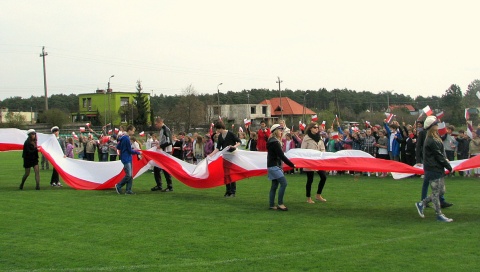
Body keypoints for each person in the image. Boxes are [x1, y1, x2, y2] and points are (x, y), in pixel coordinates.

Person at [415, 116, 454, 222]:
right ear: (432, 126)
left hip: (438, 168)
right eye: (436, 124)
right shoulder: (431, 140)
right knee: (436, 192)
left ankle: (422, 203)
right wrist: (449, 167)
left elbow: (441, 154)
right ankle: (439, 214)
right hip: (433, 169)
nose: (438, 125)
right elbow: (438, 155)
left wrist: (445, 163)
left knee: (441, 191)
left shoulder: (436, 137)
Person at [208, 121, 241, 197]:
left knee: (231, 173)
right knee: (225, 174)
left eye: (217, 129)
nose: (217, 131)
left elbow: (239, 142)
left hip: (232, 155)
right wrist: (211, 154)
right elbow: (218, 148)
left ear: (221, 128)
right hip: (225, 156)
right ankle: (228, 190)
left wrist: (234, 146)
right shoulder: (220, 136)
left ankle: (233, 191)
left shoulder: (230, 134)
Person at [267, 124, 295, 211]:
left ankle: (272, 204)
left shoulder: (272, 141)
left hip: (272, 165)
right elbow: (281, 156)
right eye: (280, 130)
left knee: (274, 185)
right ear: (275, 131)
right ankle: (280, 203)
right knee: (284, 183)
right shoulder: (275, 142)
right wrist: (291, 164)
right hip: (274, 166)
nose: (281, 132)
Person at [301, 123, 328, 203]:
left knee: (323, 177)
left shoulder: (319, 138)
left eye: (317, 127)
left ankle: (318, 195)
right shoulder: (306, 138)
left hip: (318, 161)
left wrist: (322, 155)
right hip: (309, 161)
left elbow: (323, 148)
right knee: (310, 179)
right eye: (315, 127)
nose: (316, 129)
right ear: (310, 128)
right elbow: (303, 149)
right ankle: (308, 197)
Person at [115, 125, 142, 195]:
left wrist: (123, 149)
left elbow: (118, 146)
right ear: (129, 130)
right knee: (129, 175)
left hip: (126, 157)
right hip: (126, 158)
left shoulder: (123, 137)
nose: (133, 132)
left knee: (130, 175)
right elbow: (130, 150)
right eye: (133, 131)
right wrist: (137, 152)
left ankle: (128, 190)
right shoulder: (126, 139)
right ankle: (119, 185)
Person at [151, 117, 174, 192]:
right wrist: (159, 144)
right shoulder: (162, 130)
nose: (156, 125)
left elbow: (169, 141)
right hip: (162, 151)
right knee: (156, 168)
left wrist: (160, 146)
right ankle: (159, 185)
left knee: (165, 169)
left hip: (166, 151)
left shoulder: (165, 129)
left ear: (160, 122)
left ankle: (170, 186)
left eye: (156, 124)